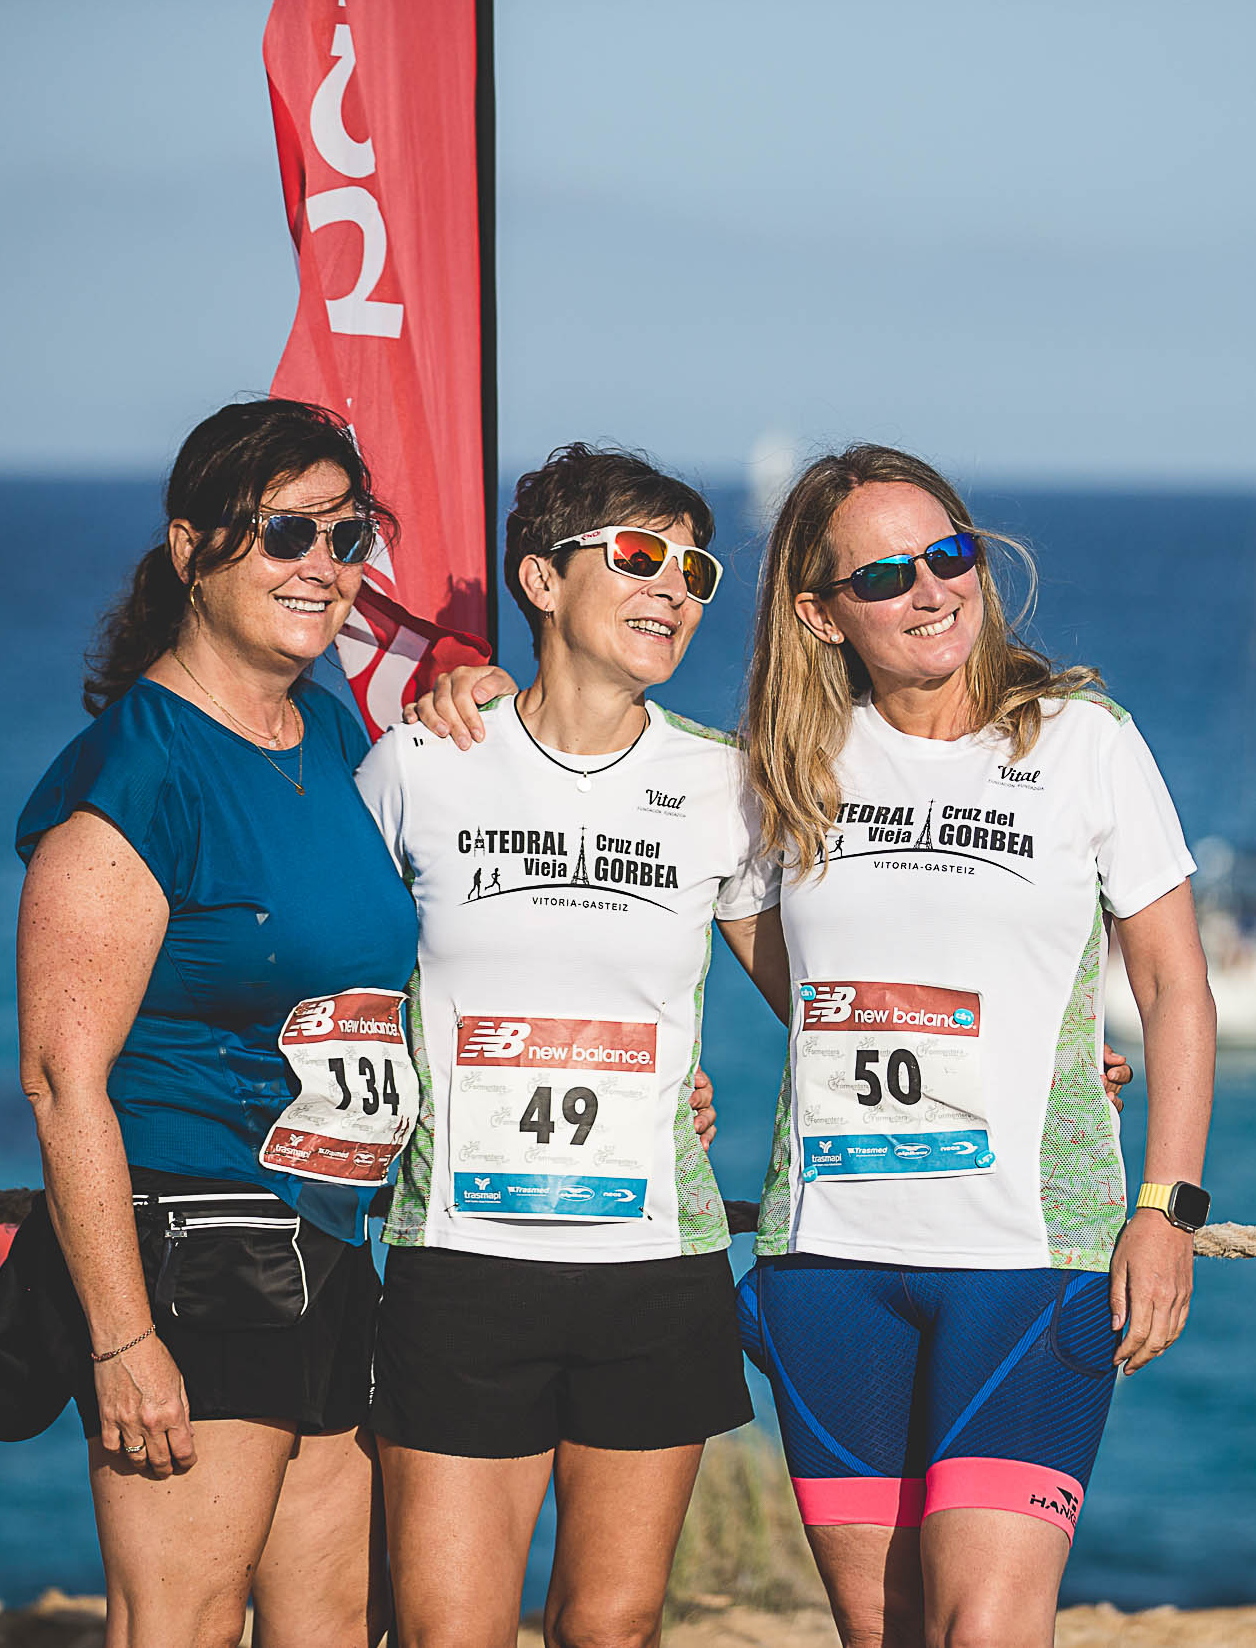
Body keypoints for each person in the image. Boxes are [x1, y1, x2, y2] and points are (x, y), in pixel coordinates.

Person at [733, 444, 1217, 1648]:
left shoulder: (1082, 741)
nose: (931, 589)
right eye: (884, 574)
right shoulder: (785, 762)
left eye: (949, 554)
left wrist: (1168, 1205)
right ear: (821, 612)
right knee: (883, 1632)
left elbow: (1172, 983)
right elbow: (748, 925)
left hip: (1029, 1258)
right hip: (829, 1261)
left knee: (986, 1626)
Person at [357, 445, 790, 1648]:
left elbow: (818, 996)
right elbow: (325, 974)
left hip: (651, 1261)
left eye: (694, 571)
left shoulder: (724, 784)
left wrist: (1047, 1053)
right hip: (460, 1255)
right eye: (640, 556)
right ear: (542, 579)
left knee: (612, 1624)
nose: (674, 590)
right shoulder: (421, 761)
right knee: (450, 1629)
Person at [14, 398, 417, 1648]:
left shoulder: (327, 726)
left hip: (331, 1231)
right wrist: (122, 1337)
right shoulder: (139, 770)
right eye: (286, 531)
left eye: (347, 537)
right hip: (199, 1246)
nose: (322, 566)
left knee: (331, 1622)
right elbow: (61, 1077)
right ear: (191, 548)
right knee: (181, 1620)